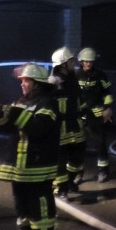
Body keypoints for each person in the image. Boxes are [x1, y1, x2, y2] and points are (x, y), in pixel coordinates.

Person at [0, 63, 59, 230]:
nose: (22, 84)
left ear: (37, 84)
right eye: (21, 81)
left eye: (26, 81)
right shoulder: (20, 101)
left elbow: (38, 129)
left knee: (39, 201)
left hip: (38, 164)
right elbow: (7, 128)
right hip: (20, 166)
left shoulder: (47, 103)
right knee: (21, 200)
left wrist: (15, 114)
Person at [48, 47, 86, 199]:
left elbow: (80, 100)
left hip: (75, 124)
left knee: (77, 157)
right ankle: (61, 188)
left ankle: (70, 181)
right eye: (71, 61)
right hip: (60, 127)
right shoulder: (53, 82)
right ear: (63, 64)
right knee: (60, 159)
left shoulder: (73, 79)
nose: (73, 64)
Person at [76, 47, 114, 183]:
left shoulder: (100, 75)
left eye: (91, 62)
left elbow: (107, 93)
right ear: (81, 61)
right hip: (80, 115)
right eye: (86, 61)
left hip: (97, 114)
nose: (88, 64)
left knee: (100, 143)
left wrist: (107, 108)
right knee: (78, 145)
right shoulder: (76, 75)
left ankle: (103, 171)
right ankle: (78, 173)